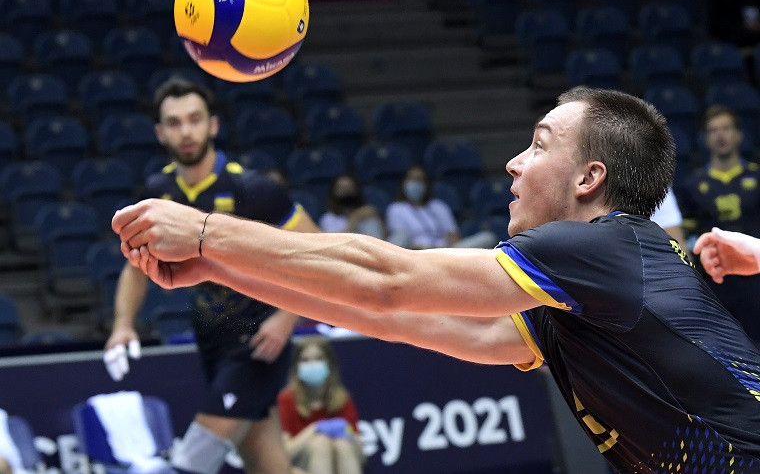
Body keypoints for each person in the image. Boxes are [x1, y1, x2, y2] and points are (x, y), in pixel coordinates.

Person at [113, 88, 760, 472]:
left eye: (538, 145)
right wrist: (218, 268)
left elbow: (388, 280)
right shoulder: (580, 294)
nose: (513, 163)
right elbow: (394, 316)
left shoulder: (603, 244)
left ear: (590, 179)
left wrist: (206, 232)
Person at [103, 78, 320, 474]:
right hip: (212, 343)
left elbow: (320, 251)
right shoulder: (158, 193)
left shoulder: (252, 189)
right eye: (174, 123)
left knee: (190, 463)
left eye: (194, 119)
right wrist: (122, 325)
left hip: (257, 340)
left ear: (213, 125)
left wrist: (286, 318)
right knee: (269, 467)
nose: (186, 131)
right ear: (160, 133)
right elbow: (135, 267)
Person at [678, 105, 760, 341]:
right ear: (705, 139)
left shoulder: (757, 178)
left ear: (739, 135)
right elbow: (684, 237)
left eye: (726, 128)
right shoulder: (693, 185)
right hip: (715, 281)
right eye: (713, 130)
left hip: (755, 280)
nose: (720, 135)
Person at [277, 337, 363, 474]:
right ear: (295, 367)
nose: (312, 365)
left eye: (318, 358)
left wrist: (347, 432)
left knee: (343, 445)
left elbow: (360, 452)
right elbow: (285, 452)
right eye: (305, 360)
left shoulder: (342, 398)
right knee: (320, 444)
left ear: (330, 364)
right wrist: (314, 429)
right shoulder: (286, 400)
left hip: (338, 465)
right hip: (300, 467)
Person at [385, 165, 496, 249]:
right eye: (412, 179)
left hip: (443, 252)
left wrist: (442, 249)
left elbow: (454, 236)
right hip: (413, 253)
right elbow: (401, 239)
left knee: (488, 237)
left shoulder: (438, 206)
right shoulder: (396, 209)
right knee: (399, 238)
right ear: (404, 183)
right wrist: (425, 249)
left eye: (420, 180)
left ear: (426, 184)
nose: (416, 184)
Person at [320, 174, 386, 240]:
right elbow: (336, 243)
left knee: (371, 223)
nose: (346, 191)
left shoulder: (367, 212)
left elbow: (384, 236)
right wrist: (355, 218)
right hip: (346, 245)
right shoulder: (328, 219)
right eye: (342, 188)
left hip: (370, 244)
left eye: (349, 188)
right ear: (334, 192)